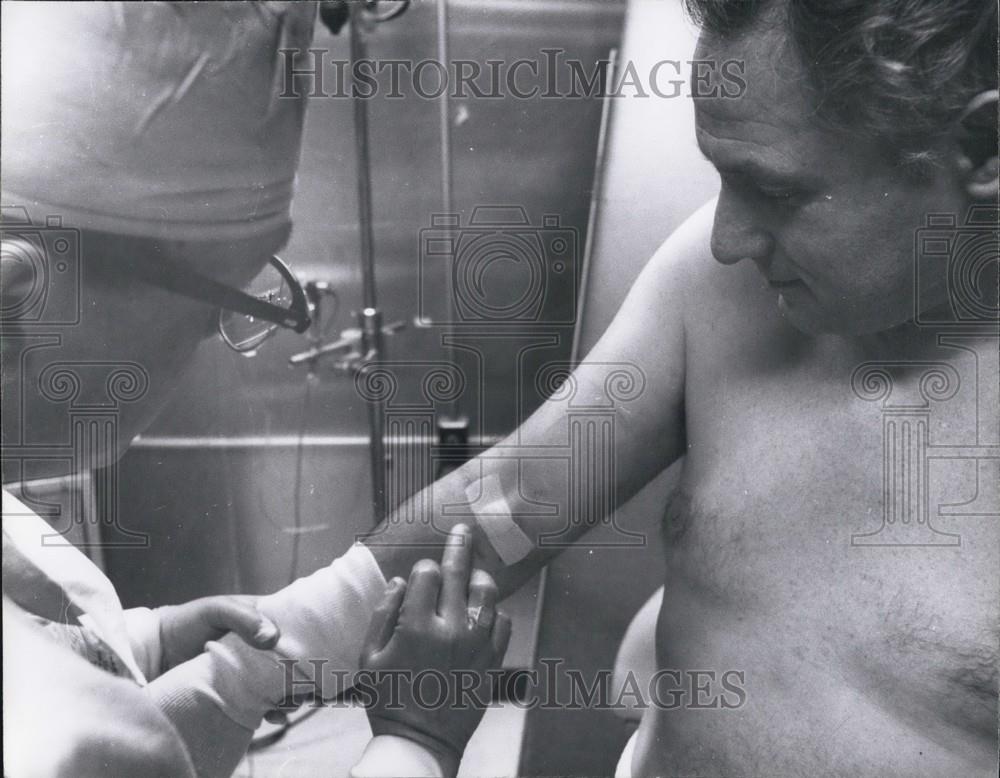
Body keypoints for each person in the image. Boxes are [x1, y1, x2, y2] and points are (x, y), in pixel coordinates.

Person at [362, 0, 999, 775]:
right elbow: (516, 507)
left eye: (779, 192)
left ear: (983, 148)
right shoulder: (725, 285)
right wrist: (254, 654)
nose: (727, 239)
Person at [1, 3, 508, 777]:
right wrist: (417, 737)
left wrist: (146, 637)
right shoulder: (74, 744)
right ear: (14, 294)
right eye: (219, 297)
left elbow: (45, 612)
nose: (213, 338)